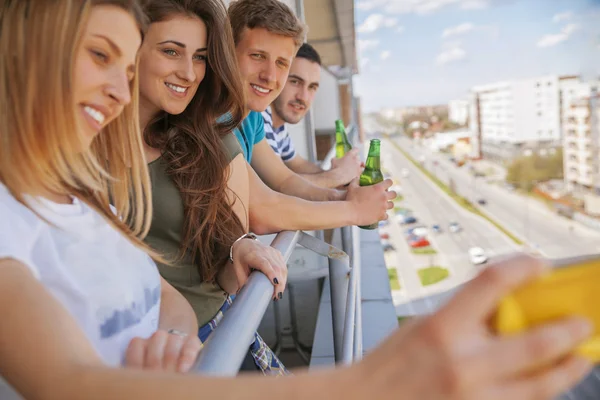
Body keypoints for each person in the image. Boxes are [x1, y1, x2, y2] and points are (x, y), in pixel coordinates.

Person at [0, 1, 593, 399]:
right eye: (101, 57)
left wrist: (181, 331)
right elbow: (67, 378)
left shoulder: (81, 193)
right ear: (30, 51)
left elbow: (161, 290)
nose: (119, 86)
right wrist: (375, 381)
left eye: (127, 65)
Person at [137, 0, 289, 374]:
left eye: (201, 57)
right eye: (171, 51)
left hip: (213, 337)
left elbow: (217, 270)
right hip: (142, 360)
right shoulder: (81, 153)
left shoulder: (204, 135)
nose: (189, 73)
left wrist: (239, 247)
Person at [228, 0, 393, 212]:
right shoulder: (242, 114)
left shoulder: (255, 118)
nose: (269, 76)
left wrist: (342, 188)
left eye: (281, 64)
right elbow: (270, 195)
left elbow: (288, 175)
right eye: (296, 81)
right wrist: (339, 183)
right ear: (227, 52)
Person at [263, 43, 362, 189]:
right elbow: (276, 188)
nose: (303, 97)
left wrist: (340, 176)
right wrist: (338, 176)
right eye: (295, 82)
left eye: (312, 87)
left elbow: (299, 165)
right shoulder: (258, 117)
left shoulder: (278, 130)